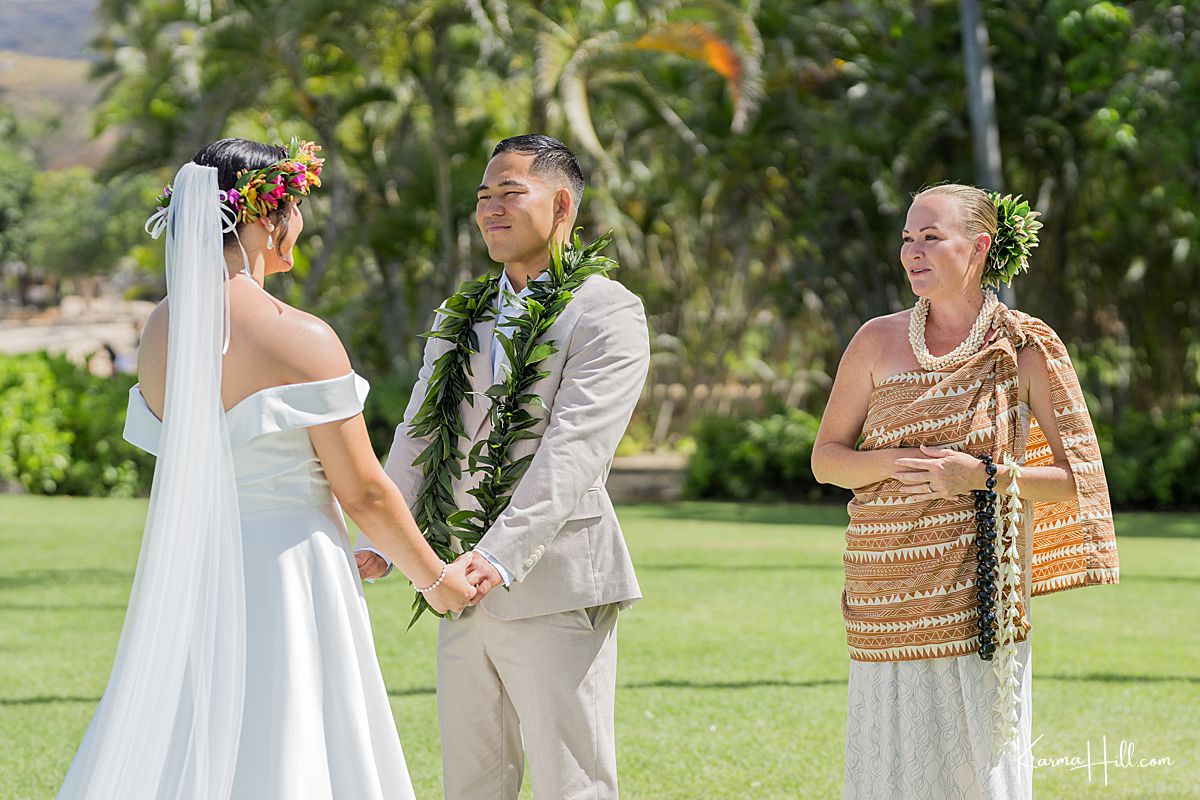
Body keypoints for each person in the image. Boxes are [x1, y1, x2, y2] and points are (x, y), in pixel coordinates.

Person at [58, 138, 477, 800]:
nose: (301, 225)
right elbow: (365, 491)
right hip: (290, 572)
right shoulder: (299, 335)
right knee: (290, 737)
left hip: (196, 568)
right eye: (298, 208)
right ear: (267, 216)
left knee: (193, 737)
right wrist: (436, 580)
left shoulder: (163, 329)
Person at [356, 134, 651, 800]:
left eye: (511, 193)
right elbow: (417, 430)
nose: (492, 209)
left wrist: (499, 556)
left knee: (567, 781)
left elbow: (574, 449)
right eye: (485, 197)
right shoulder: (460, 315)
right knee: (471, 782)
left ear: (562, 204)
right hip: (456, 587)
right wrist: (382, 536)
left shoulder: (607, 311)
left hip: (552, 583)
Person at [811, 184, 1119, 799]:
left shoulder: (1025, 347)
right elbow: (826, 461)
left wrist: (978, 476)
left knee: (976, 777)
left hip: (978, 601)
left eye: (931, 237)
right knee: (890, 775)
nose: (912, 253)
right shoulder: (875, 340)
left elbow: (1077, 482)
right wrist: (896, 462)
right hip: (885, 596)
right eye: (907, 238)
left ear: (979, 248)